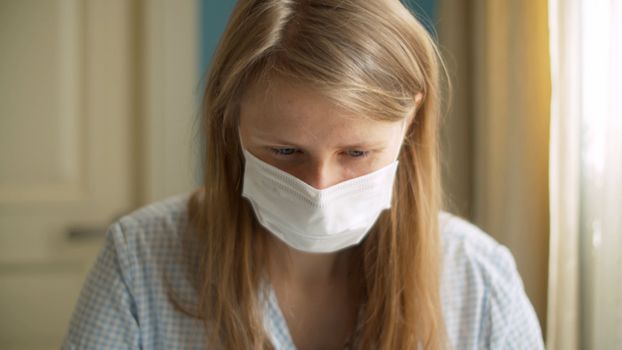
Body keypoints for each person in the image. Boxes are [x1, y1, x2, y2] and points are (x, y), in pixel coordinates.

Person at [62, 0, 544, 349]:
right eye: (286, 150)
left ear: (410, 121)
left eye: (356, 152)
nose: (319, 188)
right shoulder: (140, 265)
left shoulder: (479, 281)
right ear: (232, 121)